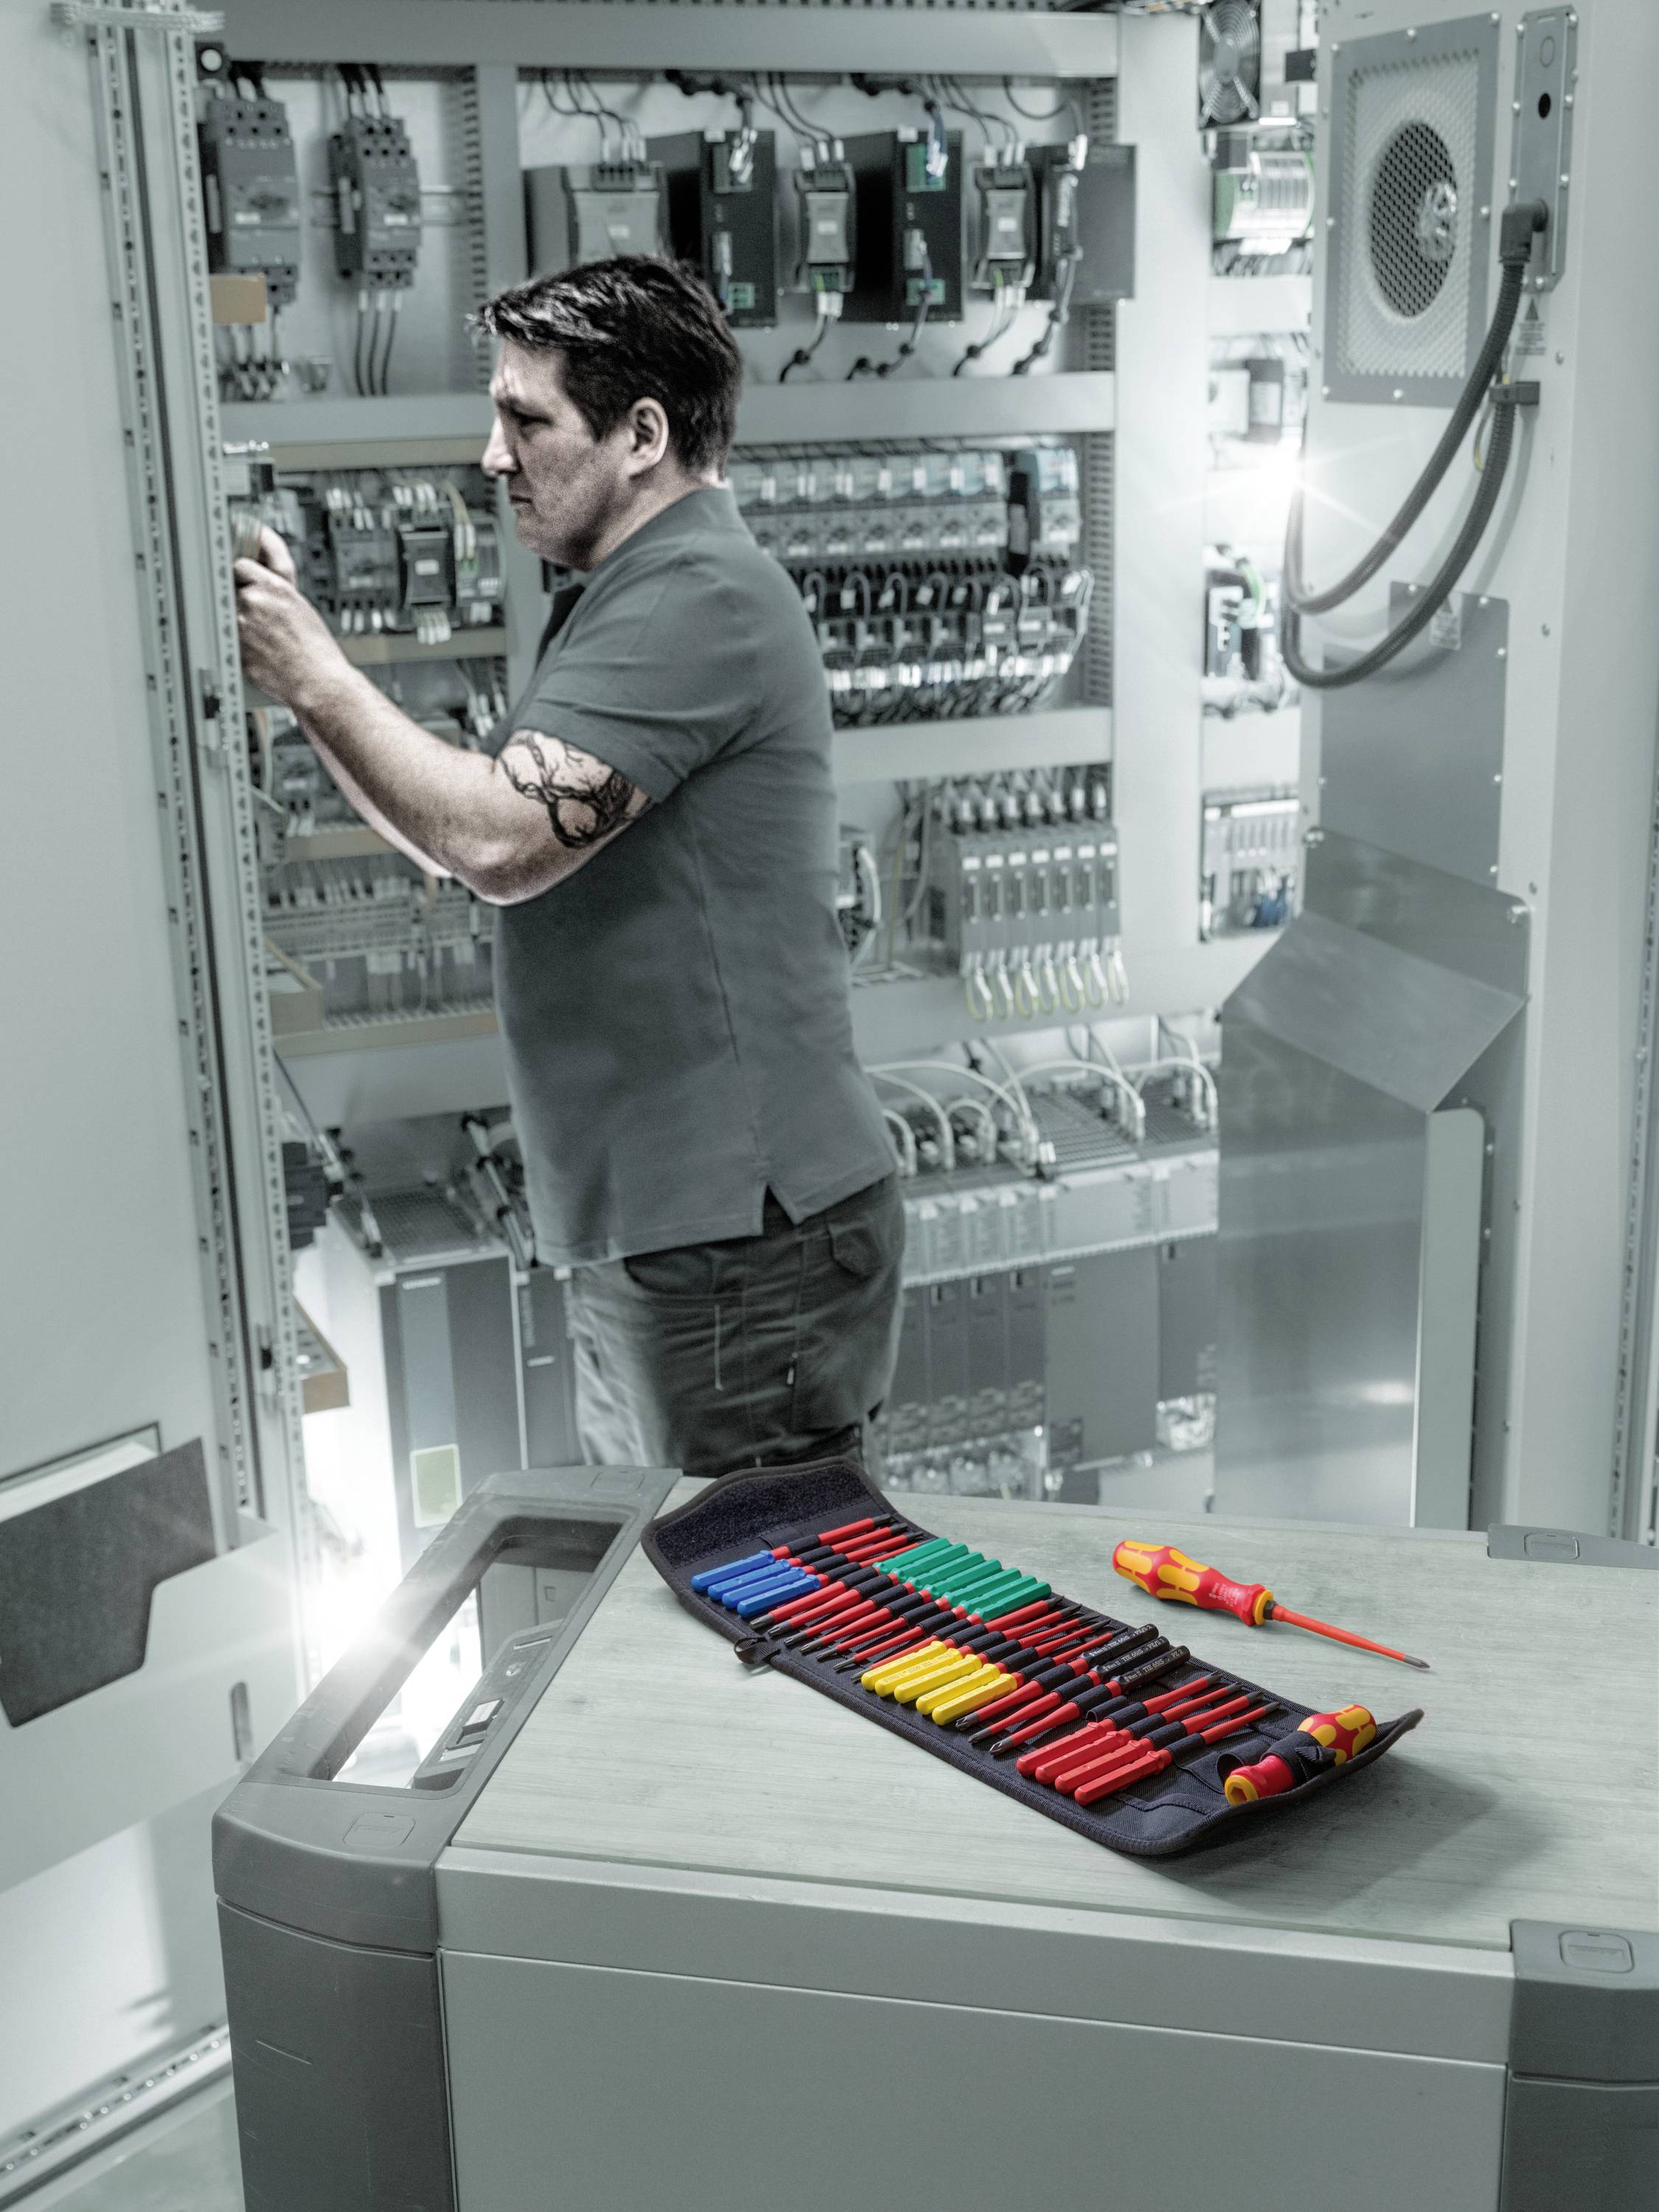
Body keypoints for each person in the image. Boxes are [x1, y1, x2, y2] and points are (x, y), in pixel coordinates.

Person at [235, 256, 903, 1481]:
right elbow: (458, 836)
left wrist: (318, 677)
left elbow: (492, 838)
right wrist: (309, 698)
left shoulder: (697, 594)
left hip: (735, 1239)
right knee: (681, 1590)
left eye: (524, 418)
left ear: (640, 434)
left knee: (745, 1618)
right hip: (672, 1229)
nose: (493, 455)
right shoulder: (627, 594)